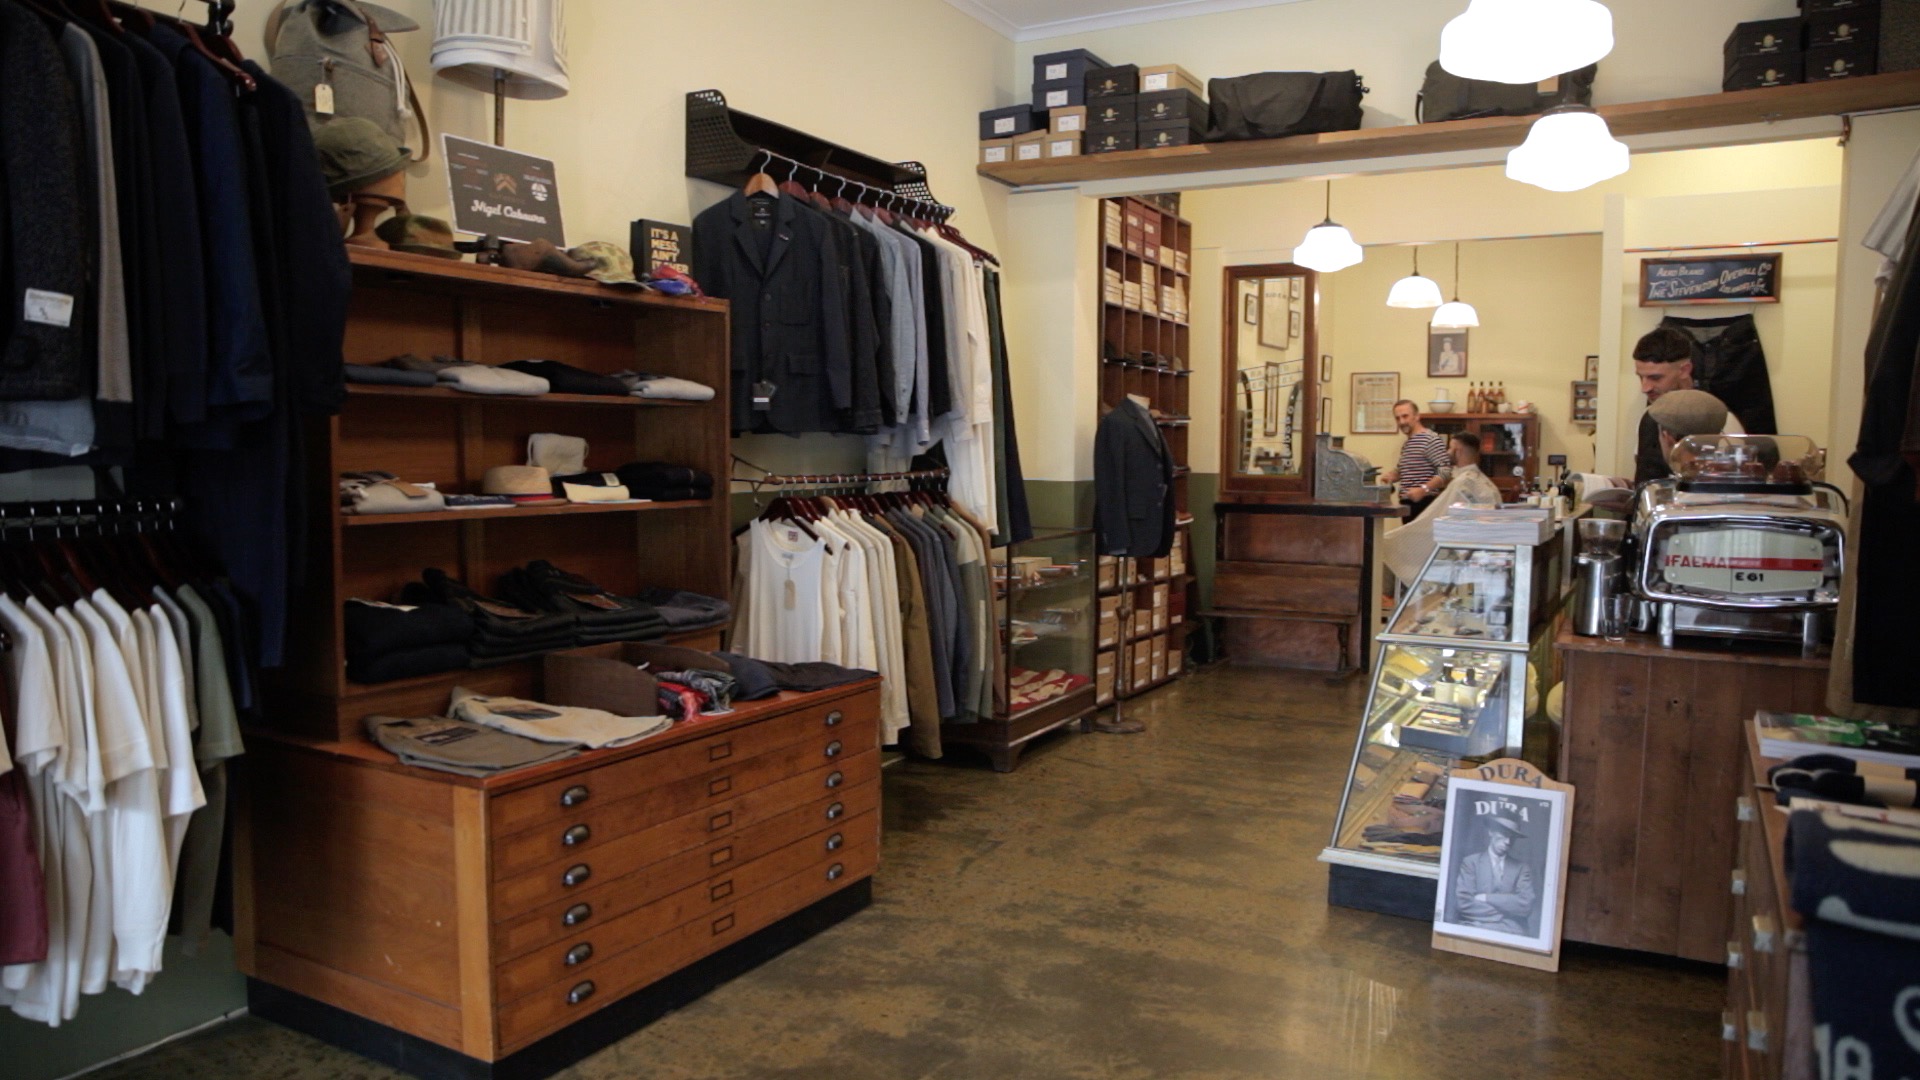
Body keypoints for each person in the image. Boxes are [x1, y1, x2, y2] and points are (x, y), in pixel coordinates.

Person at [1631, 326, 1743, 485]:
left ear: (1684, 370)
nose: (1645, 388)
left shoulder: (1721, 419)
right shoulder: (1647, 417)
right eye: (1641, 377)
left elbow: (1733, 490)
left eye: (1655, 378)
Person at [1453, 815, 1536, 935]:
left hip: (1510, 933)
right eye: (1504, 834)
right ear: (1491, 831)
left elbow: (1526, 905)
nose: (1508, 842)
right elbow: (1463, 903)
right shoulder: (1471, 862)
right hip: (1474, 928)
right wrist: (1506, 914)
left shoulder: (1521, 868)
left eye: (1512, 837)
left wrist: (1487, 898)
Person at [1380, 400, 1451, 515]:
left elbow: (1445, 472)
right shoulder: (1408, 443)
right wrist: (1393, 476)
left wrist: (1423, 490)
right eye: (1397, 418)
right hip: (1408, 505)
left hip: (1425, 504)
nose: (1401, 421)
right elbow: (1405, 470)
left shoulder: (1430, 439)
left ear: (1417, 416)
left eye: (1405, 416)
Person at [1446, 431, 1503, 507]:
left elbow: (1438, 513)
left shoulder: (1463, 482)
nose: (1447, 452)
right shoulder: (1482, 480)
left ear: (1458, 451)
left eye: (1450, 448)